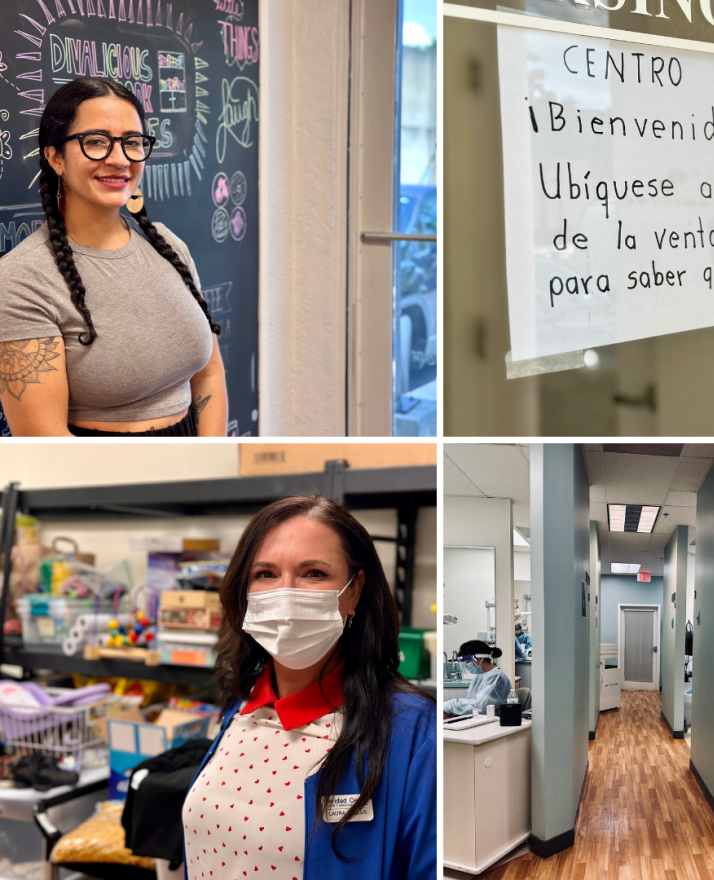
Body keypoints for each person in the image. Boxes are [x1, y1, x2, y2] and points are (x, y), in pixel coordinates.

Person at [182, 496, 436, 880]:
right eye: (265, 574)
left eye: (313, 573)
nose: (285, 594)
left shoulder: (411, 730)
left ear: (353, 592)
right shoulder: (241, 705)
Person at [0, 77, 227, 436]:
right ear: (55, 157)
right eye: (96, 142)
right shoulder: (22, 279)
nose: (119, 159)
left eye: (132, 143)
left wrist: (211, 470)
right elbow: (47, 446)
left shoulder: (167, 244)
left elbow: (209, 373)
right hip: (97, 482)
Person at [442, 640, 513, 718]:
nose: (466, 665)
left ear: (481, 658)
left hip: (494, 721)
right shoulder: (480, 676)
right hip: (479, 718)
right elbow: (471, 702)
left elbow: (479, 707)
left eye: (468, 661)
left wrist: (450, 705)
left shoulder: (496, 677)